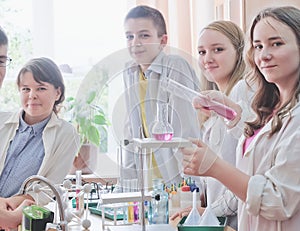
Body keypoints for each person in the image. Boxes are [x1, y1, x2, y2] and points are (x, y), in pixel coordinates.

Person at [180, 6, 300, 231]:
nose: (264, 55)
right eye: (258, 46)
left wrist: (215, 167)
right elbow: (256, 156)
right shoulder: (272, 108)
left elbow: (277, 201)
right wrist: (228, 110)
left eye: (276, 44)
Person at [170, 20, 255, 230]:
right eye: (201, 51)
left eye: (218, 49)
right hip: (221, 220)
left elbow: (248, 173)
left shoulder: (242, 92)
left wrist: (210, 211)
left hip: (236, 222)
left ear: (239, 52)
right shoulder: (212, 107)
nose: (207, 58)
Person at [121, 5, 201, 189]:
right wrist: (129, 184)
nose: (135, 42)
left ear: (163, 40)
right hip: (149, 183)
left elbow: (185, 132)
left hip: (179, 181)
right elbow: (131, 132)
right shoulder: (130, 71)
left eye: (144, 35)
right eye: (129, 36)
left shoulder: (175, 66)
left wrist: (187, 188)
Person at [0, 57, 80, 229]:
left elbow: (47, 188)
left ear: (58, 92)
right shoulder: (1, 121)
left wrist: (5, 209)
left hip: (18, 217)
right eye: (26, 89)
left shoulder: (66, 134)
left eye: (41, 88)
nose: (32, 95)